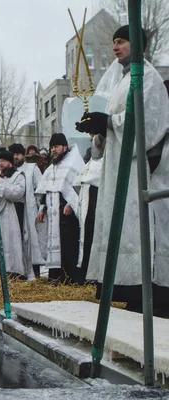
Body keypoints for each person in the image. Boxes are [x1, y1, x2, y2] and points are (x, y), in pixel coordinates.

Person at [76, 25, 169, 313]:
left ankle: (142, 295)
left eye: (121, 42)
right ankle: (128, 293)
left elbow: (149, 126)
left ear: (136, 44)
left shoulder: (148, 78)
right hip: (118, 170)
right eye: (114, 42)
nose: (115, 48)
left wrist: (109, 123)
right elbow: (118, 119)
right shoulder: (124, 80)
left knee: (137, 231)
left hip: (139, 170)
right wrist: (98, 128)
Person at [35, 133, 84, 284]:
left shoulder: (74, 164)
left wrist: (71, 204)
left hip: (68, 216)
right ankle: (56, 278)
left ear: (65, 147)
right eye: (51, 147)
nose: (53, 150)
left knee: (68, 247)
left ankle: (71, 279)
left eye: (56, 146)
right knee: (55, 247)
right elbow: (45, 190)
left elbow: (79, 188)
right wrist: (42, 209)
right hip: (54, 216)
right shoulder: (51, 168)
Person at [9, 143, 46, 278]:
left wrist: (41, 206)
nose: (15, 157)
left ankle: (33, 272)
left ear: (23, 155)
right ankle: (18, 271)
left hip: (29, 210)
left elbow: (41, 187)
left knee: (30, 240)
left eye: (18, 154)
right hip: (14, 210)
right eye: (13, 155)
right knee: (16, 239)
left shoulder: (32, 168)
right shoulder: (10, 171)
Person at [0, 150, 29, 279]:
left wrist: (0, 184)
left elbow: (18, 193)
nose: (0, 163)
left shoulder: (18, 176)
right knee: (1, 242)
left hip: (13, 215)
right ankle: (1, 271)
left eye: (3, 161)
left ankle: (15, 271)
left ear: (9, 162)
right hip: (0, 215)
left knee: (12, 243)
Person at [74, 133, 102, 282]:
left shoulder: (104, 160)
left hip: (97, 211)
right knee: (87, 241)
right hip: (87, 212)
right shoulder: (90, 161)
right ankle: (86, 274)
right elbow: (79, 183)